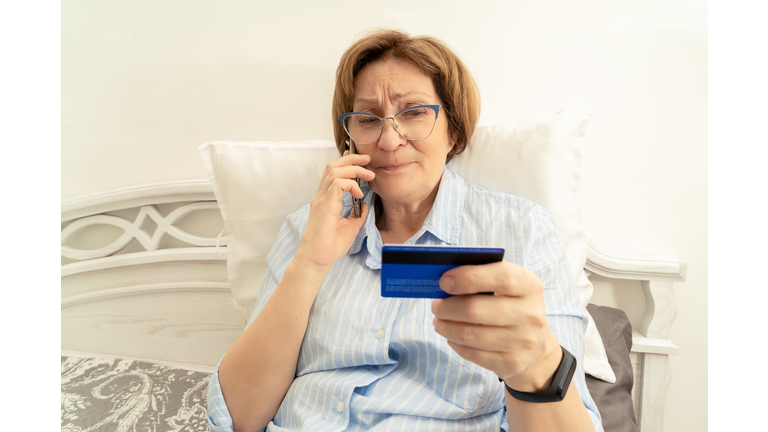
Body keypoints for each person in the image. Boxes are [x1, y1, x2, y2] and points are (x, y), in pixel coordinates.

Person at [207, 29, 603, 432]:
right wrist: (310, 262)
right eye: (367, 118)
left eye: (414, 112)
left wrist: (535, 364)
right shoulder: (306, 228)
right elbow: (240, 418)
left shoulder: (523, 230)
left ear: (453, 129)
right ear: (349, 140)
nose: (390, 139)